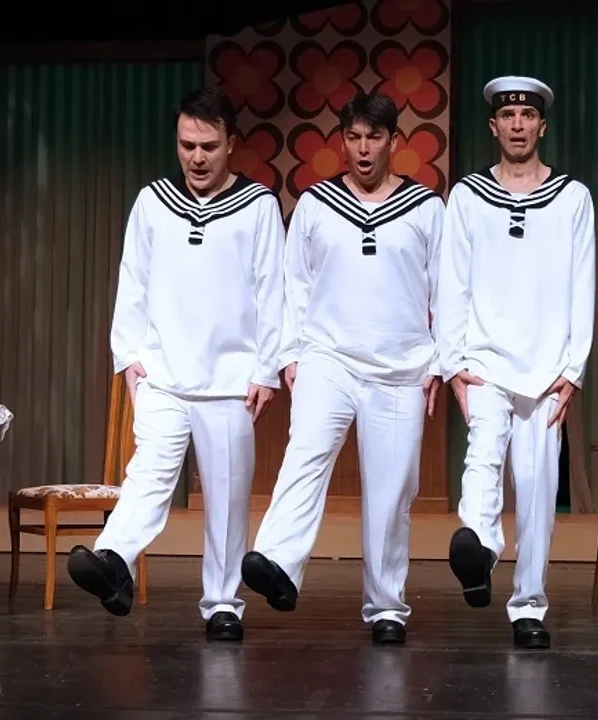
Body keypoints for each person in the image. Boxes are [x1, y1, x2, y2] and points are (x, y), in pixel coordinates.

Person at [66, 86, 285, 642]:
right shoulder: (153, 201)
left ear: (231, 144)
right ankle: (113, 561)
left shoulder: (258, 206)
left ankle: (223, 603)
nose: (197, 157)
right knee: (149, 473)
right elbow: (133, 280)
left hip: (230, 380)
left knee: (228, 498)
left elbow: (272, 291)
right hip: (162, 373)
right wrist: (129, 356)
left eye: (208, 146)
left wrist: (266, 369)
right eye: (187, 145)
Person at [239, 92, 444, 646]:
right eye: (354, 137)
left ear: (394, 141)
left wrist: (441, 360)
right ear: (343, 142)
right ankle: (278, 562)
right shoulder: (315, 203)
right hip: (327, 357)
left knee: (392, 491)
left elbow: (448, 288)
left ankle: (387, 608)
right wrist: (290, 355)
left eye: (374, 137)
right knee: (305, 453)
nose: (363, 148)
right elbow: (293, 284)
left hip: (401, 366)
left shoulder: (426, 208)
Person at [435, 75, 595, 650]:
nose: (519, 124)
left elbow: (583, 282)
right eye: (509, 116)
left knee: (536, 487)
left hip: (546, 368)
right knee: (481, 455)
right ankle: (478, 549)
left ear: (541, 126)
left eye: (528, 115)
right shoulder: (468, 195)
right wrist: (451, 361)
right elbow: (451, 281)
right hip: (484, 359)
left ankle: (528, 605)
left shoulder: (572, 197)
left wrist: (573, 369)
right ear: (494, 126)